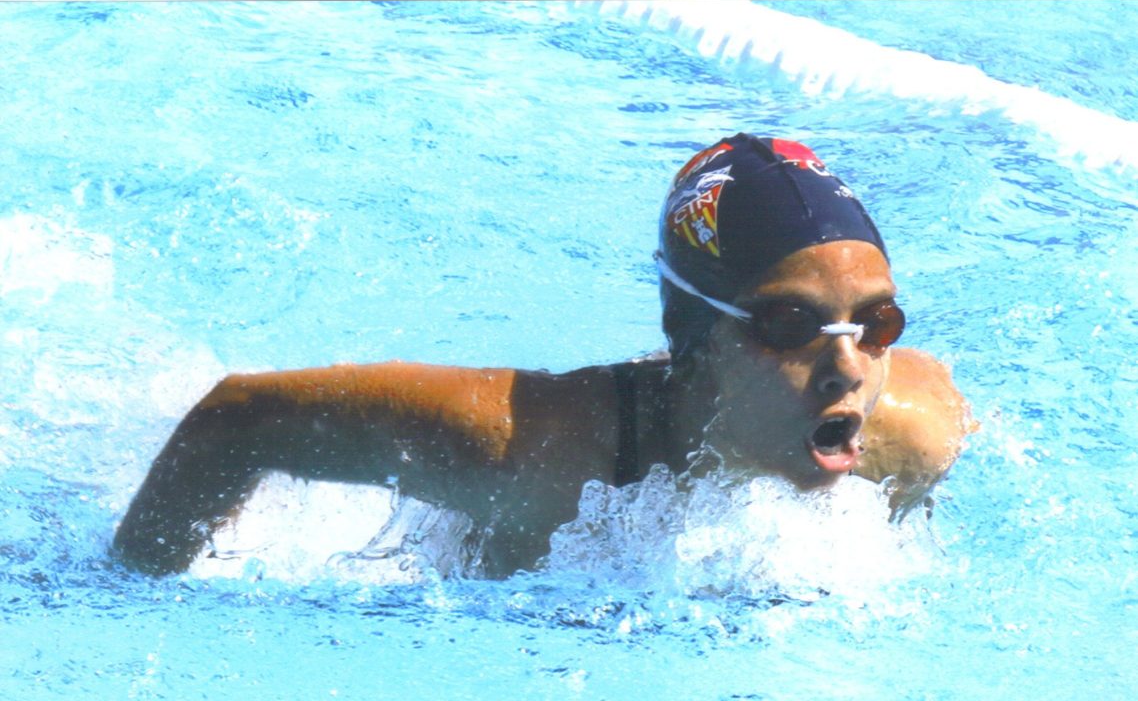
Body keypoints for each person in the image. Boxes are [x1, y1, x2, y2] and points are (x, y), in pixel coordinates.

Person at [114, 133, 974, 578]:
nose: (850, 367)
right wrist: (132, 593)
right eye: (790, 324)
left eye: (878, 322)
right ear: (699, 341)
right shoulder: (535, 450)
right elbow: (238, 418)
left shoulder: (915, 433)